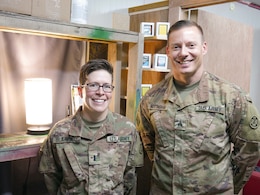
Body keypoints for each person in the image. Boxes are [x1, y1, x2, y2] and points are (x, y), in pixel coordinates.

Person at [136, 20, 260, 195]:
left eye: (191, 45)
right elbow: (150, 148)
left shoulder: (231, 96)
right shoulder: (151, 99)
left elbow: (250, 150)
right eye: (177, 47)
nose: (184, 53)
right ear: (168, 51)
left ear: (204, 47)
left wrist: (226, 186)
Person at [39, 59, 144, 194]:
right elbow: (51, 179)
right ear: (80, 90)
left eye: (106, 86)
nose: (100, 92)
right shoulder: (60, 132)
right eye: (93, 85)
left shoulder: (127, 130)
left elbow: (130, 178)